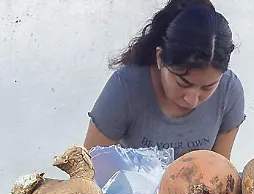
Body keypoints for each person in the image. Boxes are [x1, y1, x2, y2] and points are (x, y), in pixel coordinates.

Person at [84, 0, 245, 161]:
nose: (192, 100)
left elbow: (221, 170)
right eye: (183, 83)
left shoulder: (229, 92)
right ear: (160, 58)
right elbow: (90, 169)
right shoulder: (125, 88)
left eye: (207, 87)